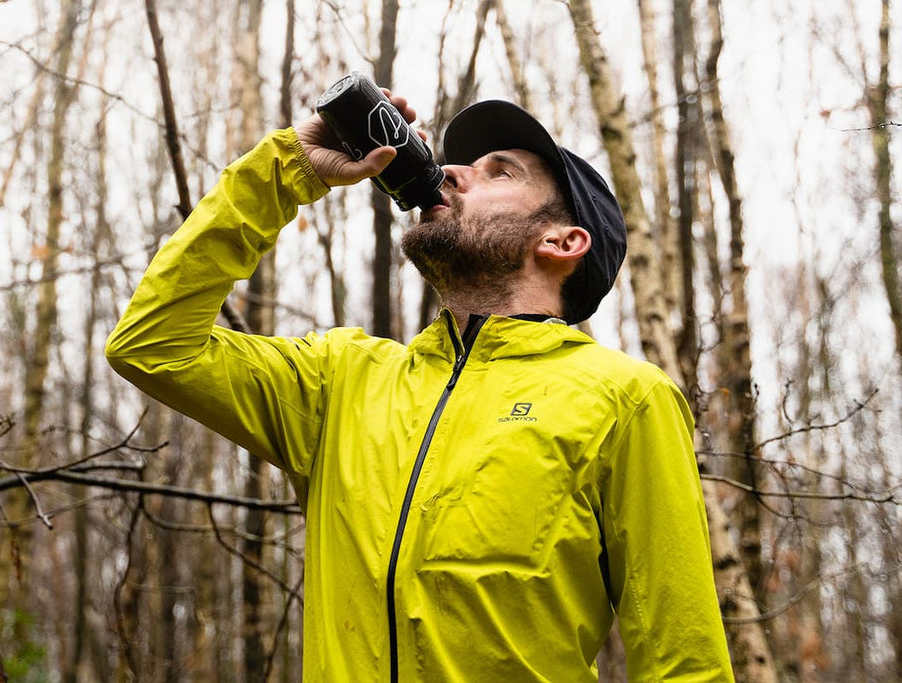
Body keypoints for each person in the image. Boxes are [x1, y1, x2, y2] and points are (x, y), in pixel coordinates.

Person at [105, 86, 734, 681]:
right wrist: (289, 170)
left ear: (562, 241)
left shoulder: (624, 398)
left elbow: (684, 655)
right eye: (461, 163)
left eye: (499, 172)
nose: (454, 172)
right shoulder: (342, 380)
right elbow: (153, 344)